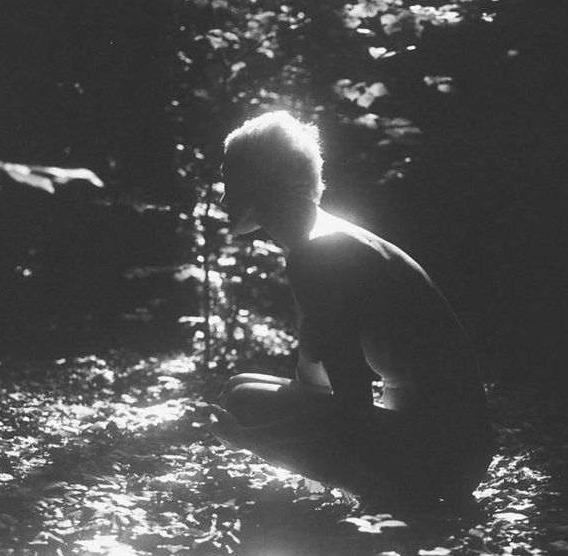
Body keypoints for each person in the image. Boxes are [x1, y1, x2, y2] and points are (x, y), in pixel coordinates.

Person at [211, 109, 493, 507]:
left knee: (244, 405)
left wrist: (257, 440)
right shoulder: (319, 239)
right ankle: (361, 488)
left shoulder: (316, 255)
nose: (223, 197)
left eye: (231, 178)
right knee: (239, 390)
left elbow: (352, 406)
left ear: (266, 183)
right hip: (456, 449)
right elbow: (315, 382)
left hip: (445, 458)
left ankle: (392, 496)